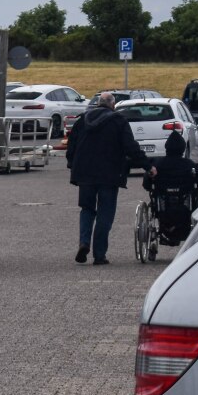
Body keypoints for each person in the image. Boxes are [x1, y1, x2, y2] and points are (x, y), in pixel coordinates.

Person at [66, 91, 152, 265]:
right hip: (109, 174)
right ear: (113, 104)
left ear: (98, 103)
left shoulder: (83, 120)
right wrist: (148, 166)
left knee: (87, 209)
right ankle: (99, 255)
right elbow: (130, 147)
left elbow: (71, 146)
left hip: (85, 174)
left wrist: (72, 165)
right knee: (105, 213)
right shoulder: (118, 121)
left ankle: (84, 242)